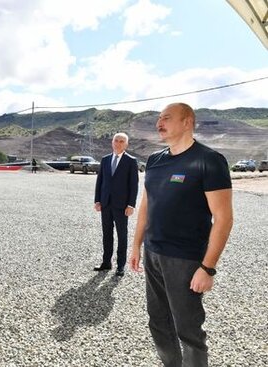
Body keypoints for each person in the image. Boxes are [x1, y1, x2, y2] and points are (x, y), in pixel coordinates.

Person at [129, 103, 233, 367]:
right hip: (153, 254)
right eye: (159, 118)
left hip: (185, 260)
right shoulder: (154, 160)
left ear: (187, 122)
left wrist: (208, 268)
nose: (159, 123)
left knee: (188, 330)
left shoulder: (209, 160)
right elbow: (146, 206)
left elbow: (223, 219)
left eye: (167, 118)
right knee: (158, 323)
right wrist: (136, 245)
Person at [93, 132, 139, 276]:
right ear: (112, 142)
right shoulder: (105, 159)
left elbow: (134, 185)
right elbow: (100, 181)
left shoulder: (131, 161)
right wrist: (97, 200)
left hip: (122, 206)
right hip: (106, 203)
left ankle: (120, 266)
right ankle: (106, 262)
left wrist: (131, 205)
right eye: (116, 141)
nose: (118, 143)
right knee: (107, 234)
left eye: (121, 141)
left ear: (126, 144)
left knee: (122, 235)